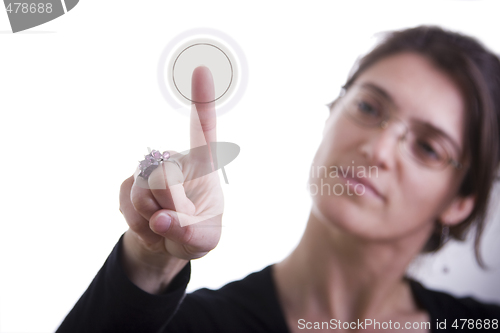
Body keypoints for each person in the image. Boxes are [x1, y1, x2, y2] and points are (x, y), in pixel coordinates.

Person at [56, 25, 500, 333]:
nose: (378, 150)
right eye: (368, 108)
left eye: (427, 147)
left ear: (460, 201)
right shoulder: (195, 327)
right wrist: (150, 261)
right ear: (331, 114)